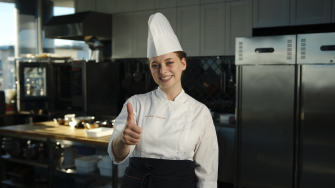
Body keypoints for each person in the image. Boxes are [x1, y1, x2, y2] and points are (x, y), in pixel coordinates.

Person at [108, 12, 218, 188]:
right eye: (155, 65)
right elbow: (116, 156)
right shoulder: (136, 104)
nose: (162, 71)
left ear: (183, 63)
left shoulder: (200, 112)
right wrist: (123, 139)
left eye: (169, 62)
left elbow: (207, 173)